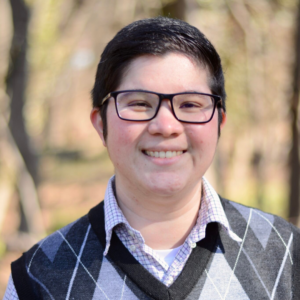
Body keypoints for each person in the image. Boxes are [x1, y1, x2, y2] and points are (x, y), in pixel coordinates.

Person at [4, 17, 300, 300]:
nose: (166, 126)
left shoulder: (286, 254)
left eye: (190, 104)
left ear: (219, 123)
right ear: (100, 124)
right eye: (140, 103)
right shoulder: (37, 279)